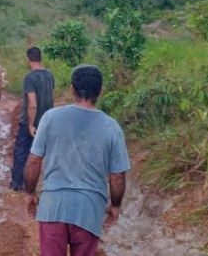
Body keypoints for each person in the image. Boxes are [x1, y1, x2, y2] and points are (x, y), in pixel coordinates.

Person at [24, 64, 130, 256]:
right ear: (100, 91)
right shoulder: (112, 128)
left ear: (72, 89)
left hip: (53, 207)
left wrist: (30, 193)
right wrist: (115, 206)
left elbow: (34, 160)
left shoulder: (50, 118)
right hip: (89, 211)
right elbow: (117, 176)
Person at [9, 46, 55, 192]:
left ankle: (17, 183)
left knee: (21, 152)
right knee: (39, 154)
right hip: (46, 121)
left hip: (31, 123)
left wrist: (30, 124)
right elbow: (51, 96)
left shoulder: (30, 78)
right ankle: (36, 184)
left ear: (29, 59)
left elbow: (32, 104)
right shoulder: (49, 75)